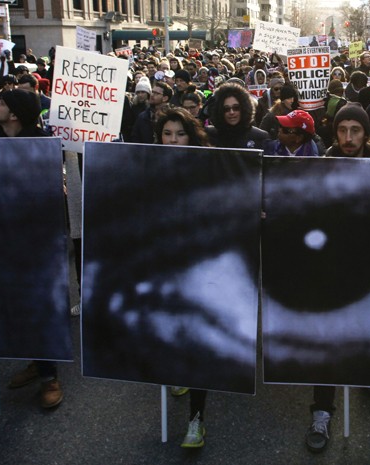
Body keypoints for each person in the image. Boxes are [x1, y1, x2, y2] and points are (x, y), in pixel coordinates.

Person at [0, 89, 64, 408]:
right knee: (12, 303)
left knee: (39, 305)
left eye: (0, 103)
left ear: (14, 114)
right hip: (2, 237)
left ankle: (49, 375)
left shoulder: (39, 144)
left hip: (37, 241)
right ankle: (35, 361)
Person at [305, 102, 370, 453]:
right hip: (328, 270)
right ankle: (321, 411)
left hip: (368, 270)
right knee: (327, 344)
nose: (349, 138)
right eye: (343, 130)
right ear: (335, 132)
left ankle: (368, 371)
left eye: (356, 130)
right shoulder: (319, 168)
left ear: (366, 133)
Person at [152, 107, 213, 447]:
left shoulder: (207, 169)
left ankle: (196, 419)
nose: (173, 139)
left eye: (180, 133)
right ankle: (178, 372)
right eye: (167, 133)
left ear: (192, 136)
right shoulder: (149, 169)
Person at [205, 82, 269, 149]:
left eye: (236, 108)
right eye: (226, 109)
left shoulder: (260, 137)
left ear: (244, 108)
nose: (231, 112)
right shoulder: (211, 134)